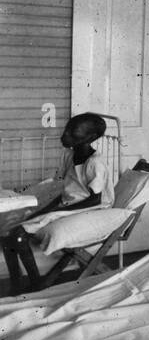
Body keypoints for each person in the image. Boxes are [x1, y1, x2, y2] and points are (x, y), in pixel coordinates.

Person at [2, 112, 112, 291]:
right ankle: (16, 285)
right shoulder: (68, 155)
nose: (65, 135)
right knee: (8, 237)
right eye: (66, 130)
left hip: (89, 209)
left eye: (72, 132)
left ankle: (36, 284)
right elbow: (66, 191)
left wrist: (58, 212)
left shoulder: (94, 163)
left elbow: (95, 199)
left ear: (90, 138)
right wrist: (45, 210)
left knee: (19, 236)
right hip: (69, 203)